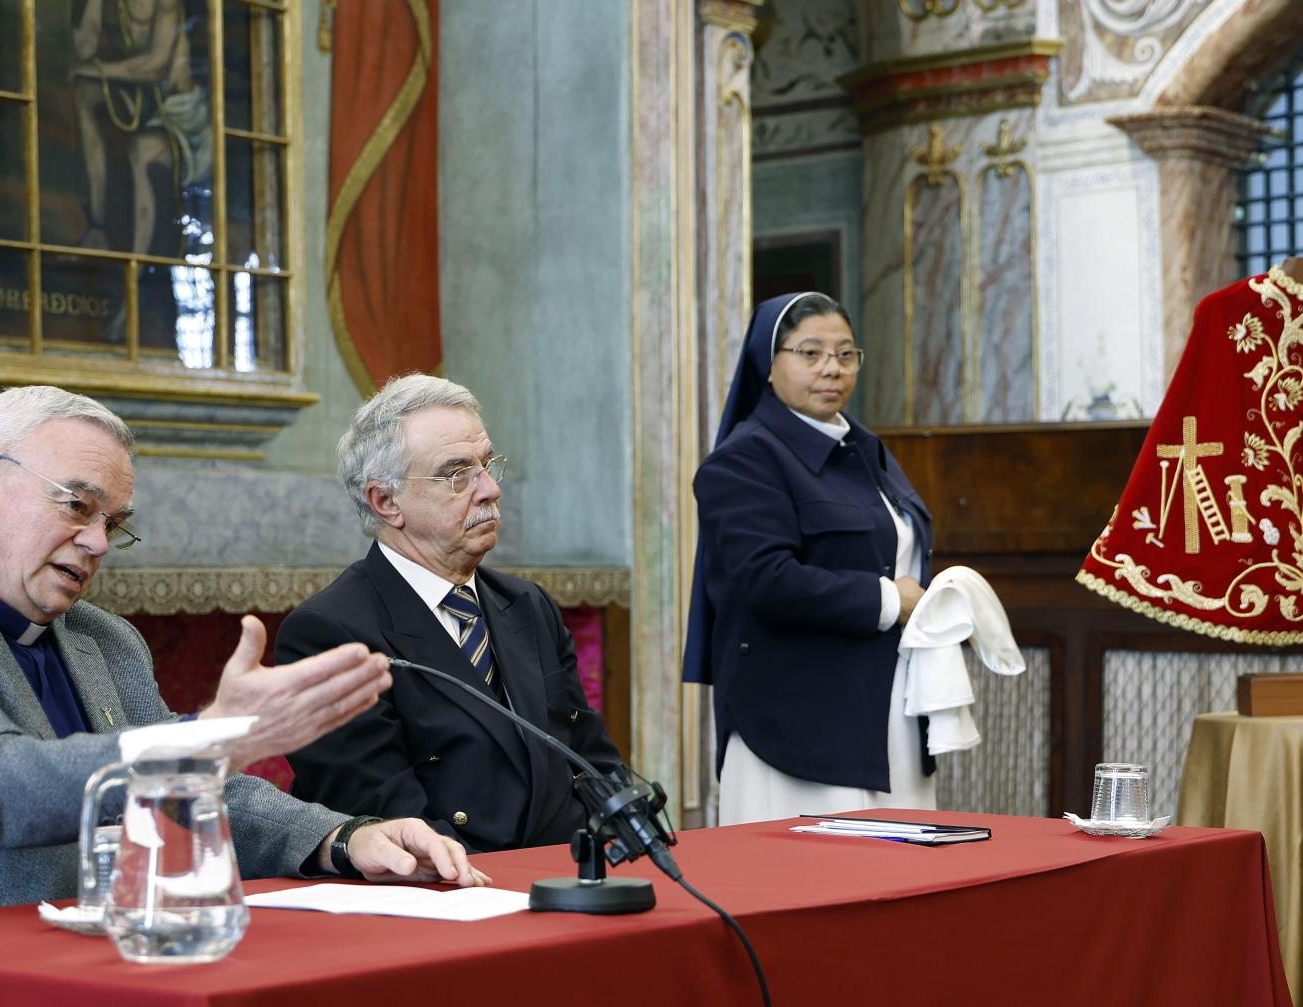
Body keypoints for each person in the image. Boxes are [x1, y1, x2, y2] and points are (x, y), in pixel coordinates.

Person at [0, 386, 486, 924]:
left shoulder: (105, 640)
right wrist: (216, 735)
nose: (98, 542)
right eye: (77, 506)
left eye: (114, 523)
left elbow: (192, 792)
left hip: (109, 968)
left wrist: (345, 840)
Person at [275, 375, 625, 853]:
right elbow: (386, 817)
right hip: (447, 885)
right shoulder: (329, 632)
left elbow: (591, 762)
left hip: (566, 871)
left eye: (488, 465)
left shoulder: (528, 604)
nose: (490, 490)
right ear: (386, 501)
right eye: (457, 474)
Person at [683, 292, 937, 824]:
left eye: (845, 354)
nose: (832, 368)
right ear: (768, 363)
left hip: (889, 710)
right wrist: (889, 601)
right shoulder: (744, 460)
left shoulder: (864, 449)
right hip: (797, 724)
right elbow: (765, 579)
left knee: (905, 866)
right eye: (811, 353)